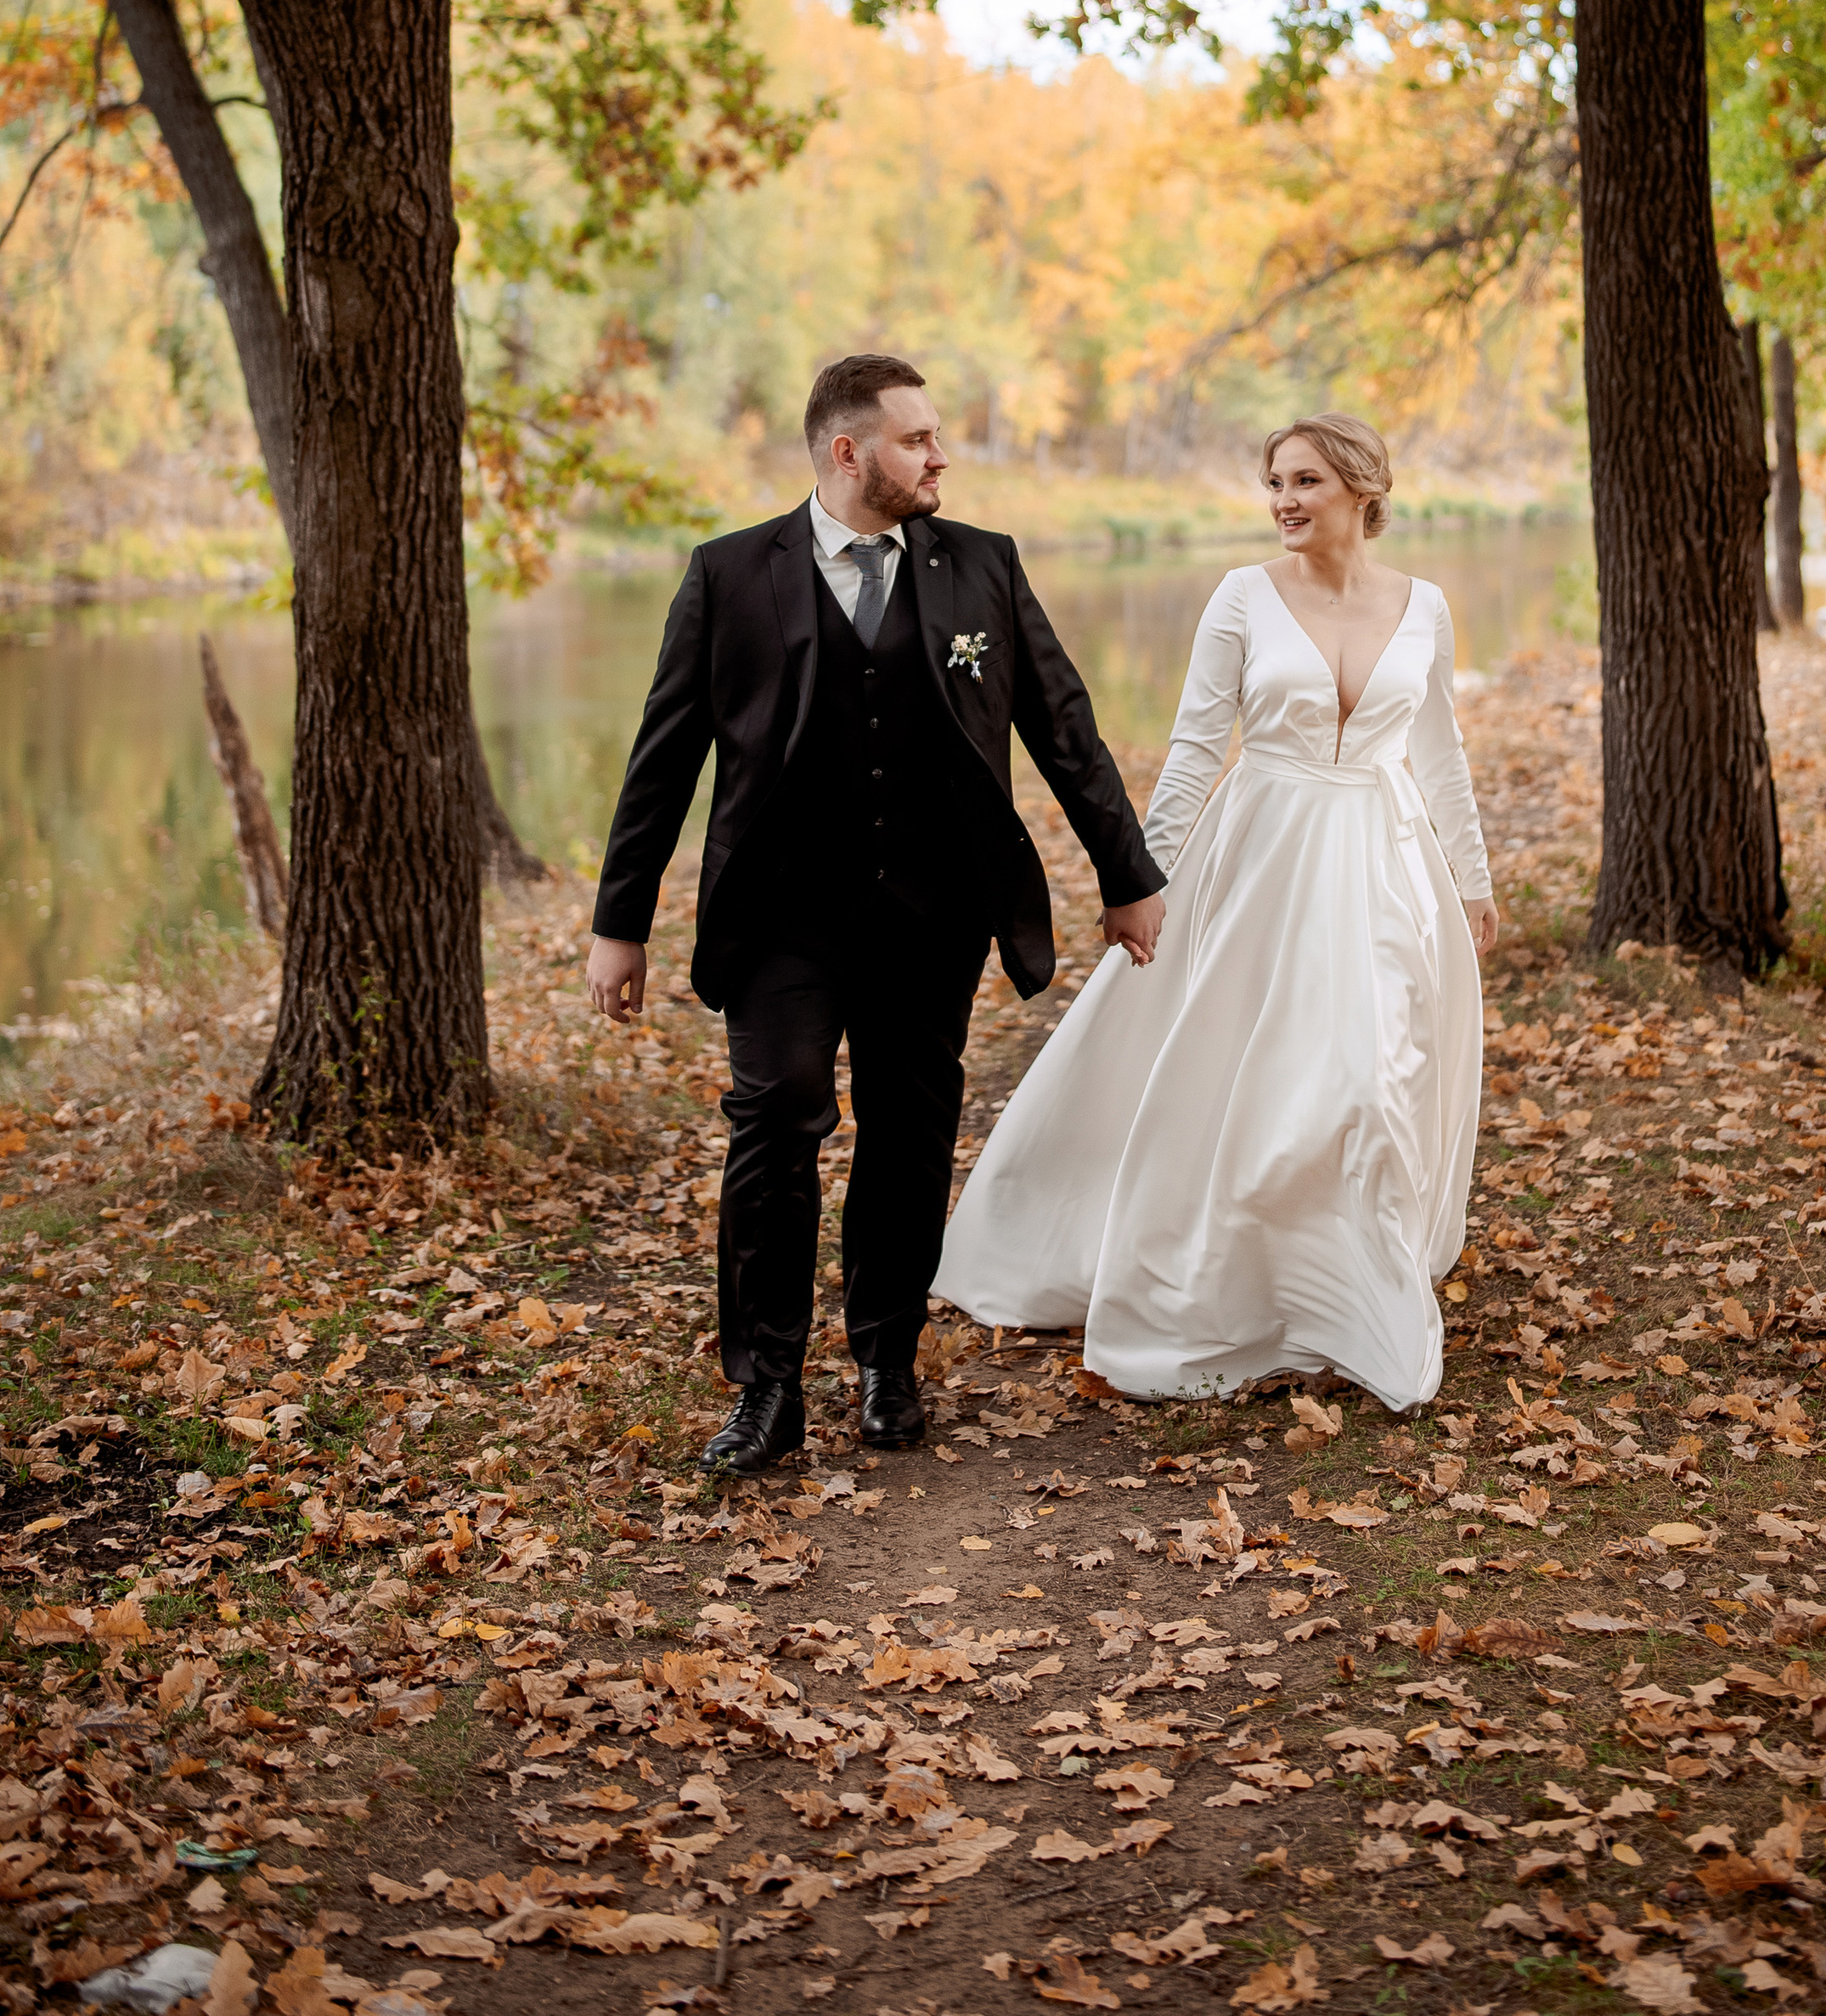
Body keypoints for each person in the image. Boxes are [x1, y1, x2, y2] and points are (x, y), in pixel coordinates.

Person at [583, 353, 1166, 1476]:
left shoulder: (981, 568)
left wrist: (1126, 874)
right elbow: (664, 760)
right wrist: (623, 918)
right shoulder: (728, 573)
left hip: (933, 909)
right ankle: (765, 1388)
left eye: (939, 436)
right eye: (918, 438)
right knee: (775, 1118)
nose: (941, 455)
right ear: (848, 452)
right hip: (780, 916)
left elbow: (1064, 724)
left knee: (909, 1132)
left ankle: (886, 1360)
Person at [934, 413, 1496, 1413]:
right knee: (1255, 1073)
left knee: (1370, 1083)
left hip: (1380, 864)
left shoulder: (1426, 607)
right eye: (1273, 481)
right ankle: (1239, 1281)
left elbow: (1439, 750)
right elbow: (1195, 746)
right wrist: (1140, 879)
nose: (1283, 500)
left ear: (1363, 488)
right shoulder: (1241, 596)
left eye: (1305, 480)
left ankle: (1355, 1303)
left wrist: (1473, 877)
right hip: (1261, 856)